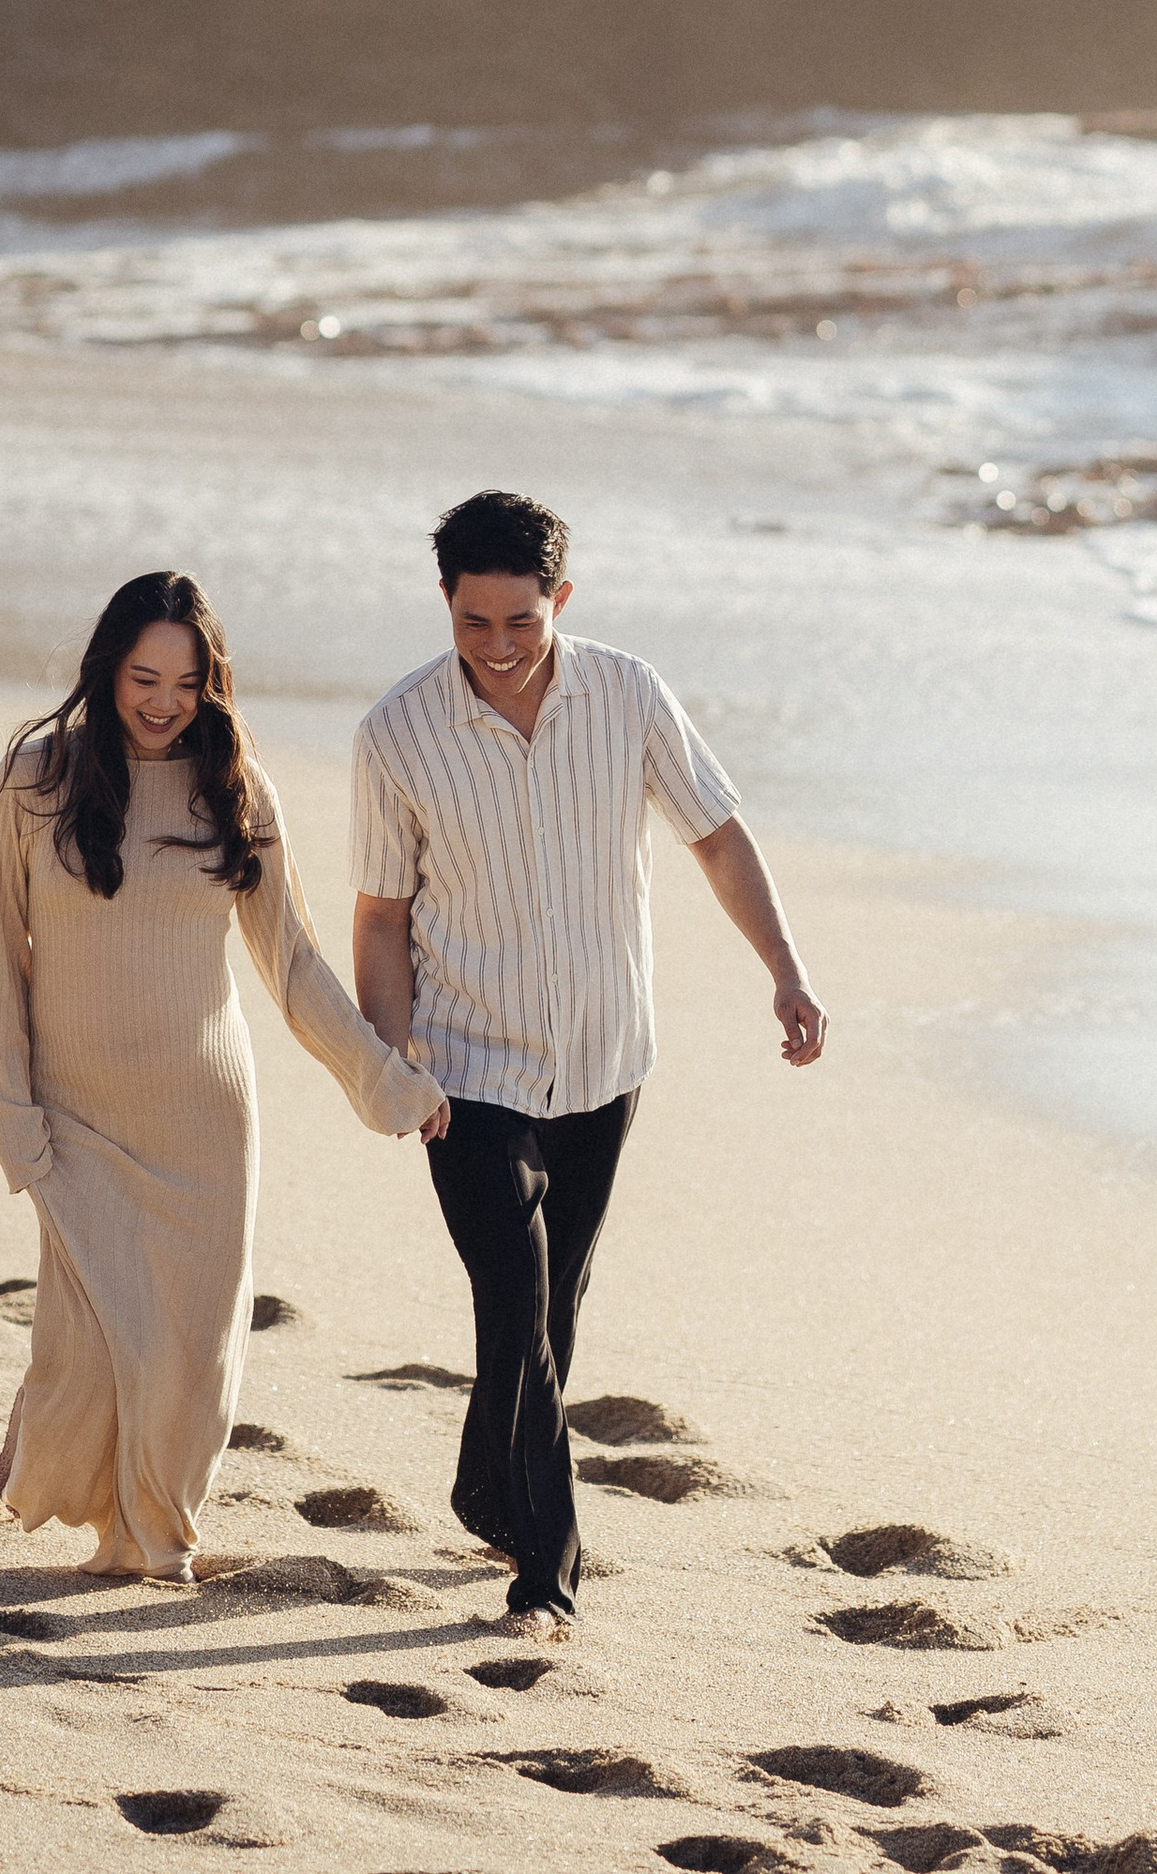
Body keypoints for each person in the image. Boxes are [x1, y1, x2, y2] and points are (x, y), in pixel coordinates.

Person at [350, 488, 825, 1635]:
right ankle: (546, 1570)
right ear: (447, 606)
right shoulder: (396, 733)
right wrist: (392, 1064)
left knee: (551, 1307)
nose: (501, 648)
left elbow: (713, 834)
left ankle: (480, 1483)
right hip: (464, 1068)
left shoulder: (627, 693)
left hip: (607, 1059)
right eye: (475, 623)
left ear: (560, 598)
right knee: (515, 1305)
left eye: (523, 619)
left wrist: (785, 967)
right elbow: (378, 916)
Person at [0, 569, 446, 1582]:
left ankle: (150, 1540)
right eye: (144, 676)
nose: (162, 701)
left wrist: (384, 1078)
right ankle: (67, 1459)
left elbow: (293, 963)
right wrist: (12, 1120)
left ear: (210, 685)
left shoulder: (233, 786)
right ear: (107, 670)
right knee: (98, 1349)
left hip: (202, 1115)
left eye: (186, 684)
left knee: (188, 1353)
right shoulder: (32, 780)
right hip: (76, 1112)